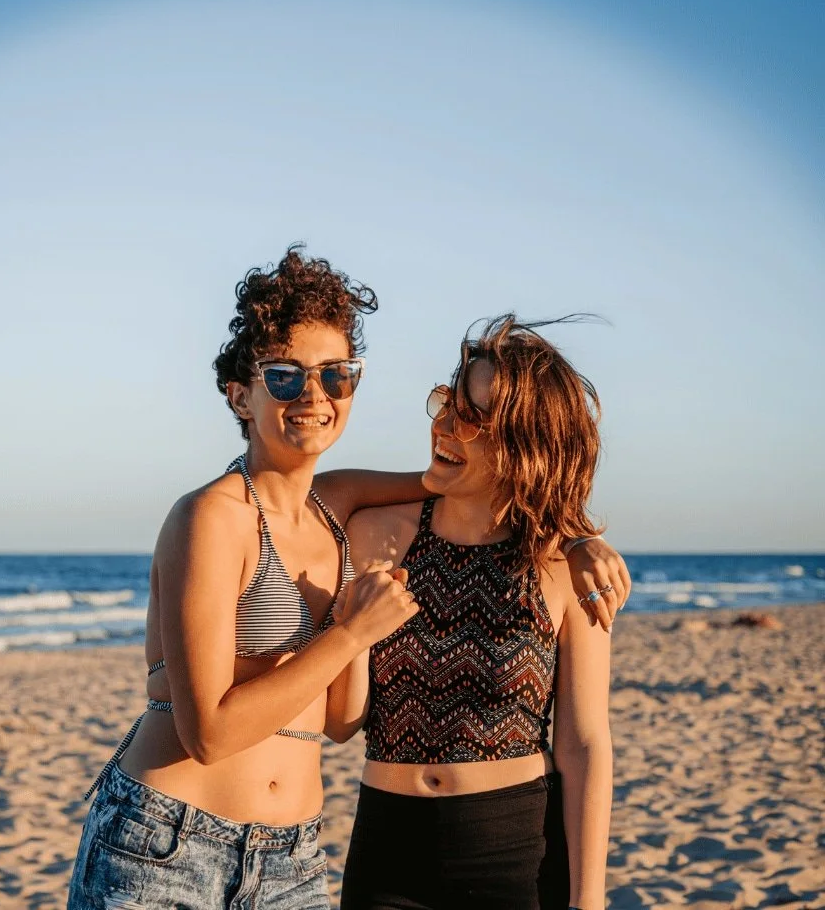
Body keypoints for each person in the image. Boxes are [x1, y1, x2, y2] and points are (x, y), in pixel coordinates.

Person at [65, 251, 627, 910]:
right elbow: (219, 734)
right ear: (239, 394)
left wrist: (574, 533)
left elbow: (452, 483)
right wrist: (351, 630)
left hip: (293, 860)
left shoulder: (337, 511)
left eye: (336, 375)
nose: (313, 395)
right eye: (283, 377)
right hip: (173, 838)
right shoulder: (221, 516)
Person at [335, 316, 614, 910]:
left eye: (472, 418)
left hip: (513, 853)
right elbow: (345, 722)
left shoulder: (564, 568)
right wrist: (353, 628)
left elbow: (584, 743)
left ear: (527, 443)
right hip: (386, 847)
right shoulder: (374, 535)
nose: (444, 426)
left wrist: (589, 902)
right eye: (447, 403)